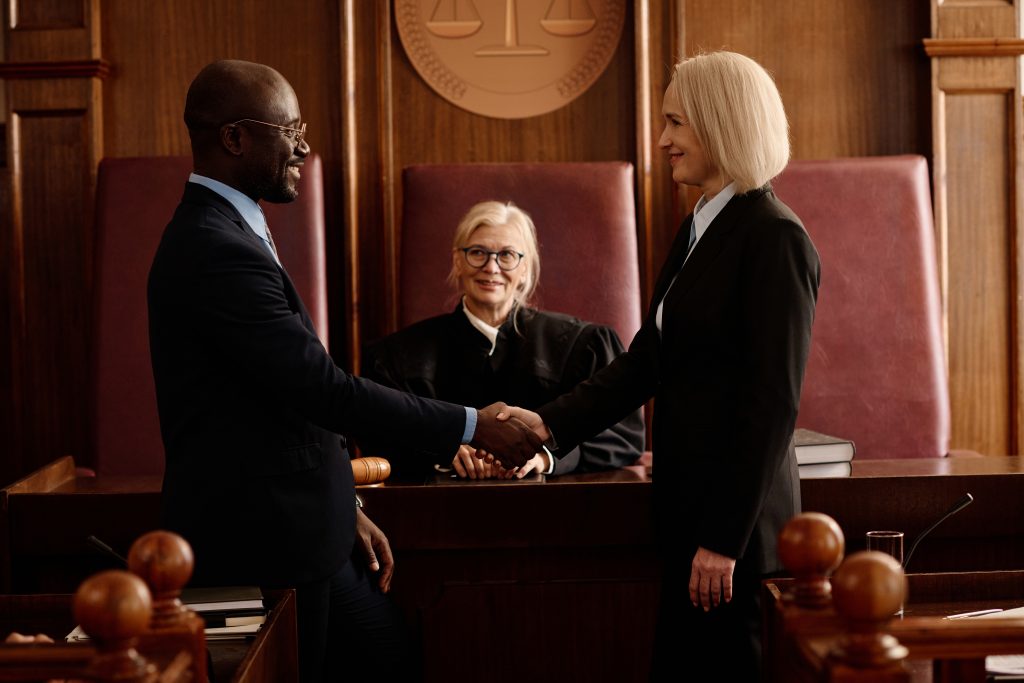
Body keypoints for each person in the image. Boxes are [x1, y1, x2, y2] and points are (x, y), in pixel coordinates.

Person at [147, 59, 541, 683]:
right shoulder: (214, 248)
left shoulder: (234, 229)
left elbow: (280, 400)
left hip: (312, 526)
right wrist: (471, 424)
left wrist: (342, 501)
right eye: (290, 128)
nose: (304, 144)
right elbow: (322, 389)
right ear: (234, 138)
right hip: (262, 542)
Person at [499, 51, 820, 679]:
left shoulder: (774, 236)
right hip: (688, 521)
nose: (664, 139)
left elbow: (771, 405)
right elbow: (648, 361)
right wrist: (545, 426)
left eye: (676, 122)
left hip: (736, 542)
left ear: (722, 123)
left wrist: (723, 540)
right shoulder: (701, 225)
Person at [361, 200, 645, 479]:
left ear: (525, 268)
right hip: (439, 513)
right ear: (457, 261)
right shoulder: (397, 357)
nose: (491, 267)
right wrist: (440, 448)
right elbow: (375, 434)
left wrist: (545, 456)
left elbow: (622, 437)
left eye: (507, 255)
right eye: (477, 252)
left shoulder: (584, 346)